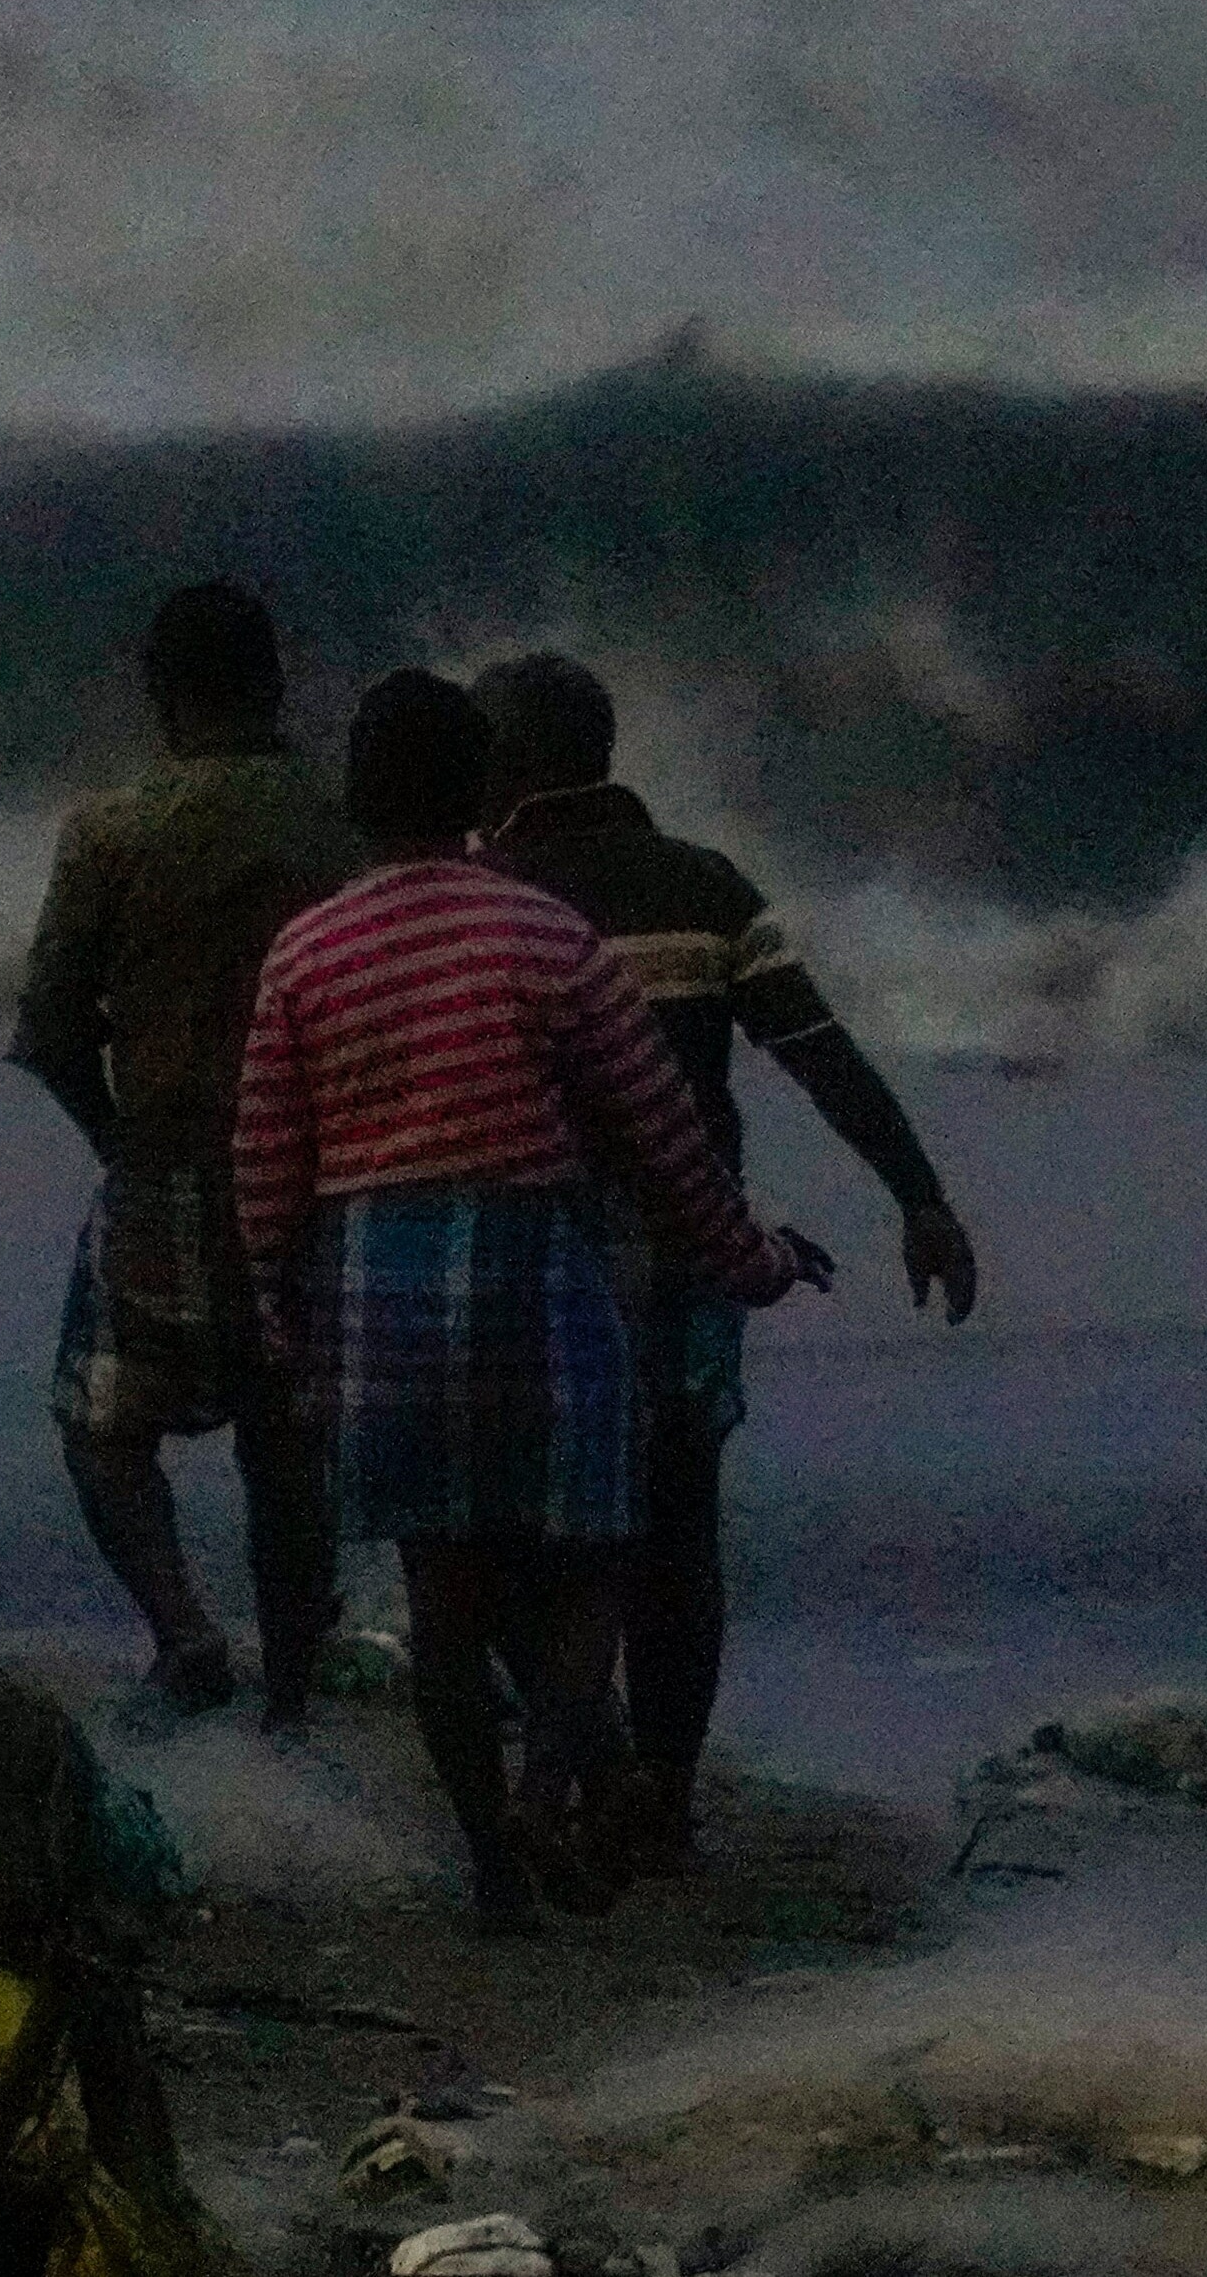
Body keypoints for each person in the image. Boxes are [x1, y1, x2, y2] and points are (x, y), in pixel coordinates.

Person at [231, 670, 823, 1933]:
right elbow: (663, 1136)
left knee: (444, 1595)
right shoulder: (548, 940)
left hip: (378, 1283)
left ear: (354, 799)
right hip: (536, 1273)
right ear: (478, 797)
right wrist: (751, 1259)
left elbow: (267, 1161)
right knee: (594, 1554)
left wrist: (284, 1313)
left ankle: (492, 1871)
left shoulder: (306, 951)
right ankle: (552, 1777)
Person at [470, 650, 979, 1877]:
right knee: (678, 1529)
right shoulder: (704, 886)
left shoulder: (485, 895)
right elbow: (821, 1053)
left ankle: (588, 1771)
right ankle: (669, 1793)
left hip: (529, 1254)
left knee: (525, 1537)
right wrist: (922, 1200)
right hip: (693, 1242)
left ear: (515, 766)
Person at [9, 583, 363, 1723]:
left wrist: (117, 1143)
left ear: (159, 693)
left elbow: (53, 1030)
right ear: (277, 679)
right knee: (286, 1443)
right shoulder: (345, 827)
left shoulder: (112, 832)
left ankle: (187, 1636)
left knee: (103, 1426)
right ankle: (294, 1690)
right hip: (319, 1178)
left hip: (165, 1166)